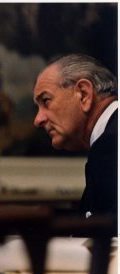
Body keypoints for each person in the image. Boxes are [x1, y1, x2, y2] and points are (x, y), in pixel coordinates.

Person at [33, 53, 117, 227]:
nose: (38, 120)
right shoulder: (106, 141)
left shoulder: (112, 144)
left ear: (84, 94)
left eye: (46, 101)